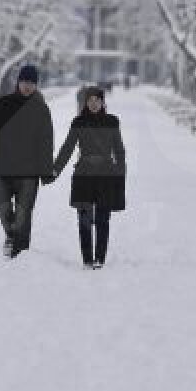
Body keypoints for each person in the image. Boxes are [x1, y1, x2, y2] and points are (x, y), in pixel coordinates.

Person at [0, 64, 55, 258]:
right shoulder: (3, 104)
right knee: (0, 204)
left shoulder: (41, 109)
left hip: (29, 173)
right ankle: (11, 235)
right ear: (18, 82)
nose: (28, 86)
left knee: (24, 213)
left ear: (36, 85)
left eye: (32, 83)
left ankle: (20, 253)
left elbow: (46, 142)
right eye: (25, 82)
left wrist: (46, 170)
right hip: (3, 169)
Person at [52, 86, 127, 269]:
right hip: (83, 175)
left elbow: (119, 149)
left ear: (103, 102)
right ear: (85, 102)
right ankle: (87, 260)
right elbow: (68, 148)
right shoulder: (78, 122)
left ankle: (99, 259)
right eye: (90, 100)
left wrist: (120, 173)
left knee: (102, 220)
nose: (94, 104)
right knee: (84, 220)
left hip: (106, 176)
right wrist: (55, 170)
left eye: (97, 100)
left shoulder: (112, 122)